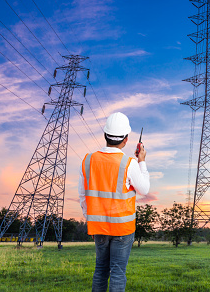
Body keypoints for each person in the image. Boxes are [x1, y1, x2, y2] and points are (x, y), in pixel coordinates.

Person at [79, 112, 149, 292]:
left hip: (99, 227)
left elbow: (82, 196)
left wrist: (92, 222)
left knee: (100, 270)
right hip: (122, 229)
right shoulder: (129, 163)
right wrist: (141, 161)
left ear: (105, 135)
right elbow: (144, 189)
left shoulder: (88, 160)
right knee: (118, 272)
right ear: (126, 139)